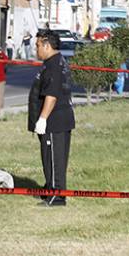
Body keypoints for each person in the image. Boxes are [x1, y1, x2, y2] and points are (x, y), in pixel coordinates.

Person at [28, 29, 75, 207]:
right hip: (53, 120)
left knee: (55, 159)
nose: (36, 49)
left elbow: (52, 95)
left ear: (47, 45)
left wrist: (43, 119)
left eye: (38, 45)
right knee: (48, 157)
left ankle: (57, 196)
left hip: (55, 121)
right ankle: (50, 188)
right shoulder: (51, 63)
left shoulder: (55, 65)